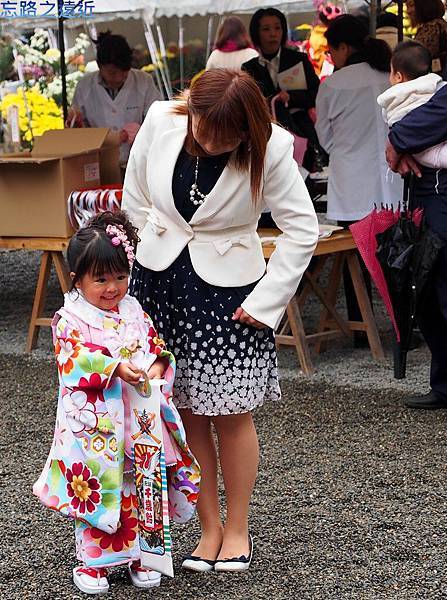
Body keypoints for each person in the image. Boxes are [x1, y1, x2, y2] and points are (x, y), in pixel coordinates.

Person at [122, 69, 319, 572]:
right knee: (184, 411)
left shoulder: (271, 146)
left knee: (230, 414)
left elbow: (302, 228)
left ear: (246, 127)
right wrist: (155, 242)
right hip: (160, 285)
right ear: (192, 111)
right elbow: (135, 199)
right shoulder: (160, 119)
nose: (207, 144)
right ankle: (208, 529)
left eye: (222, 138)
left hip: (232, 293)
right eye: (201, 130)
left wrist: (267, 301)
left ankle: (238, 530)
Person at [33, 211, 200, 595]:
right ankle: (93, 563)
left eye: (121, 277)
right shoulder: (69, 318)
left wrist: (159, 365)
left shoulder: (134, 310)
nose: (113, 288)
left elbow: (156, 347)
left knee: (142, 481)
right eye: (101, 279)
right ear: (77, 278)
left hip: (139, 415)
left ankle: (145, 554)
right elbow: (71, 362)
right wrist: (113, 367)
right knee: (99, 486)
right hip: (97, 423)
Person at [315, 14, 402, 346]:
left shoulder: (333, 85)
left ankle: (360, 329)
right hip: (391, 180)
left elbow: (325, 137)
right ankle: (402, 326)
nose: (331, 58)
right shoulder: (387, 76)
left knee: (357, 262)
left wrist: (347, 150)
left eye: (331, 51)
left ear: (343, 47)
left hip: (352, 183)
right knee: (396, 256)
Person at [386, 75, 447, 413]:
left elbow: (438, 112)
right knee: (427, 290)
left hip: (443, 192)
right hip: (432, 190)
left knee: (441, 288)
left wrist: (399, 138)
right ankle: (444, 385)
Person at [242, 7, 326, 171]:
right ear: (256, 33)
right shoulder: (248, 68)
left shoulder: (298, 60)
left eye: (277, 28)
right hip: (265, 136)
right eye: (266, 29)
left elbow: (316, 94)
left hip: (300, 134)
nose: (273, 33)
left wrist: (291, 97)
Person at [68, 32, 161, 167]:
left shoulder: (144, 81)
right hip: (99, 163)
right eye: (112, 73)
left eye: (124, 73)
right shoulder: (85, 86)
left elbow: (157, 121)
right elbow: (79, 130)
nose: (118, 78)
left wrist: (140, 132)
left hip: (138, 162)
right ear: (99, 65)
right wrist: (76, 123)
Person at [378, 41, 447, 169]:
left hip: (416, 144)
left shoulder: (393, 95)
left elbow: (390, 120)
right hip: (441, 132)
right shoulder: (434, 84)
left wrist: (397, 139)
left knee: (436, 157)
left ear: (398, 77)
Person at [406, 0, 447, 76]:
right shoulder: (439, 23)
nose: (408, 11)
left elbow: (418, 57)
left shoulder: (432, 27)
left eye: (412, 5)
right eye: (407, 7)